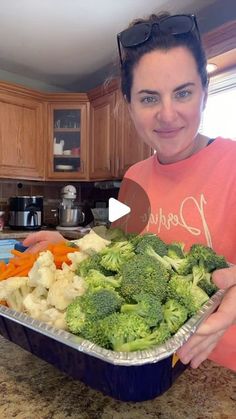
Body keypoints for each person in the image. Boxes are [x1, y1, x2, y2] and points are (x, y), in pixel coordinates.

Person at [23, 12, 236, 371]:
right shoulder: (134, 176)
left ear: (204, 91)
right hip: (143, 368)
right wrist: (69, 246)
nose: (168, 115)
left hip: (220, 371)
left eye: (182, 92)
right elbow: (117, 247)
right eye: (149, 98)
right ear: (130, 104)